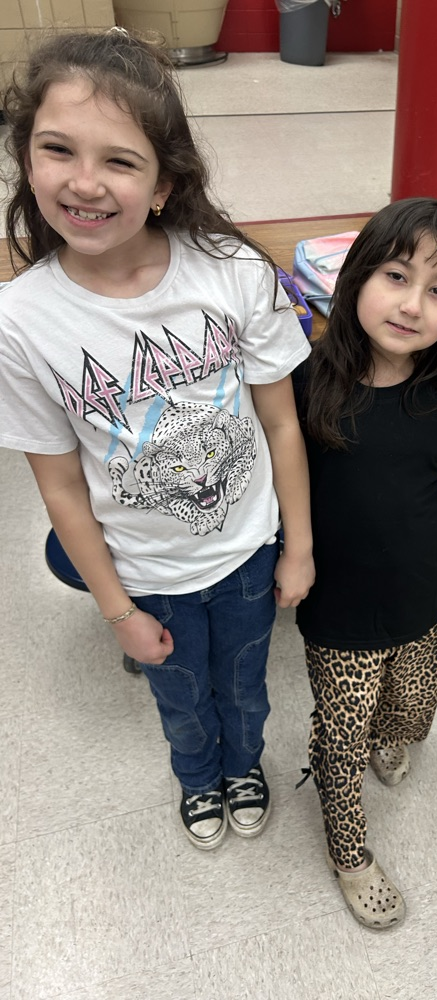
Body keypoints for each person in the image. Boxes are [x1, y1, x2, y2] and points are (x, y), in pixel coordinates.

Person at [0, 29, 314, 850]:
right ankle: (199, 778)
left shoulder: (233, 273)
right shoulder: (21, 320)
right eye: (57, 149)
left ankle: (245, 762)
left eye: (120, 161)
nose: (84, 182)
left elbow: (282, 420)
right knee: (179, 698)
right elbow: (62, 486)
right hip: (147, 575)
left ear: (166, 183)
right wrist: (117, 612)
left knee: (246, 686)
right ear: (26, 161)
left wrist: (298, 547)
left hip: (247, 552)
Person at [293, 197, 437, 929]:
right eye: (396, 275)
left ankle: (390, 737)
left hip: (425, 597)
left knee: (410, 714)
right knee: (338, 743)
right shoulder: (303, 384)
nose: (413, 304)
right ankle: (348, 852)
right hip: (338, 609)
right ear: (355, 280)